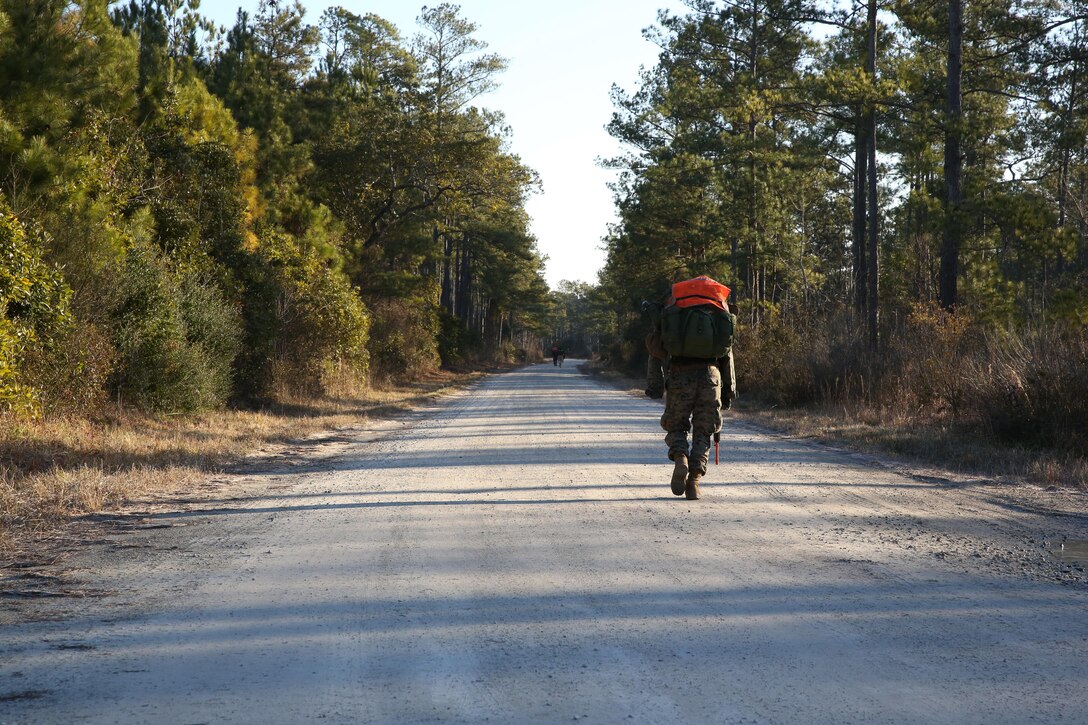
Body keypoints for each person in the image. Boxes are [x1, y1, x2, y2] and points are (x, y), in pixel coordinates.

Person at [645, 276, 736, 500]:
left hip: (680, 374)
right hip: (711, 375)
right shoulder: (719, 312)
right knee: (705, 430)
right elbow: (728, 356)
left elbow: (656, 352)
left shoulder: (675, 311)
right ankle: (694, 480)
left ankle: (680, 458)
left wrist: (654, 386)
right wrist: (728, 392)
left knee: (676, 425)